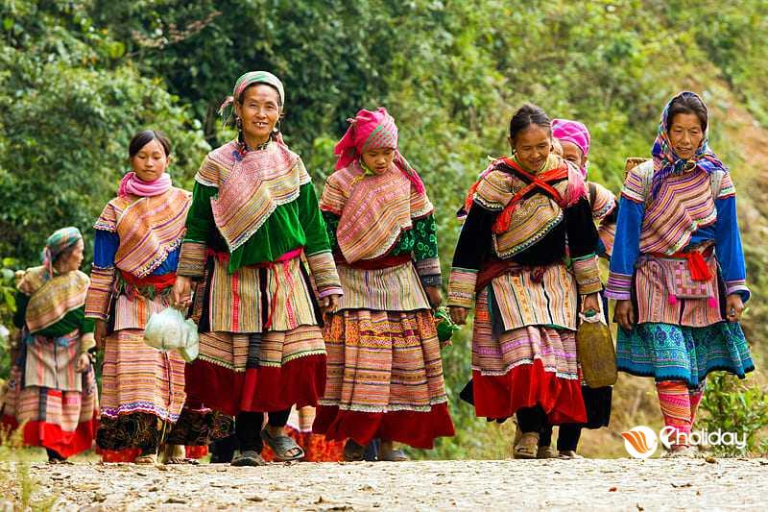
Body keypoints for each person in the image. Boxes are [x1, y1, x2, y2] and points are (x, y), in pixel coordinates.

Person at [171, 71, 342, 466]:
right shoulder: (216, 165)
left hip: (286, 278)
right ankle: (247, 446)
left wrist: (327, 282)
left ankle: (277, 430)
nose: (261, 113)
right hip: (234, 278)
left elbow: (313, 228)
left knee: (290, 359)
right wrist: (186, 276)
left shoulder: (291, 164)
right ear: (238, 110)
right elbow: (197, 223)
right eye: (253, 105)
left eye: (269, 106)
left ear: (279, 113)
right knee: (244, 363)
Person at [448, 104, 602, 459]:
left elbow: (582, 240)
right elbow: (471, 242)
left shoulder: (568, 180)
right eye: (526, 148)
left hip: (556, 282)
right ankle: (529, 430)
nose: (535, 155)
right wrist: (459, 297)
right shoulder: (497, 182)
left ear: (552, 142)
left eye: (542, 147)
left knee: (554, 363)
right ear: (512, 145)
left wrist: (591, 293)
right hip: (507, 280)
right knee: (526, 357)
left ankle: (541, 433)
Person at [606, 91, 754, 457]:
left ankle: (678, 437)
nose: (686, 140)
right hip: (653, 275)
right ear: (665, 131)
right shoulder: (644, 178)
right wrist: (621, 294)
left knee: (697, 363)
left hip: (702, 275)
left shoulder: (717, 178)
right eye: (678, 131)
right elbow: (625, 238)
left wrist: (734, 289)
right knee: (671, 358)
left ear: (704, 133)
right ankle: (681, 440)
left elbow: (728, 236)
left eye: (694, 132)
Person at [312, 108, 455, 461]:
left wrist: (432, 283)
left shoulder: (407, 180)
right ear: (359, 150)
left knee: (403, 364)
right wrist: (325, 284)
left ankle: (391, 443)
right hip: (354, 282)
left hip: (401, 282)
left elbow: (424, 231)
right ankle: (357, 441)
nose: (381, 160)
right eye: (373, 153)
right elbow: (325, 236)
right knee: (363, 363)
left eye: (388, 153)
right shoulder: (341, 183)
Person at [86, 130, 222, 464]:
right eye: (143, 156)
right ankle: (146, 447)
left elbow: (200, 253)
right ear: (131, 159)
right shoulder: (115, 210)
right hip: (133, 303)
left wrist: (198, 298)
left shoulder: (185, 203)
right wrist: (98, 319)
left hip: (179, 302)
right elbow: (103, 268)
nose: (150, 163)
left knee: (180, 374)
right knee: (142, 377)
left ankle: (175, 445)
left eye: (157, 156)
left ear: (168, 160)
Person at [535, 118, 616, 459]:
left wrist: (597, 244)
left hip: (586, 292)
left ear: (585, 162)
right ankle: (539, 440)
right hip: (545, 290)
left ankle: (568, 445)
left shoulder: (593, 193)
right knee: (548, 361)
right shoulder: (538, 191)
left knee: (586, 363)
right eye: (561, 155)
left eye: (574, 158)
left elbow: (618, 218)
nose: (568, 164)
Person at [1, 227, 98, 462]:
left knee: (68, 401)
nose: (82, 257)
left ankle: (61, 450)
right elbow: (19, 318)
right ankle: (53, 451)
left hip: (72, 350)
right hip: (38, 350)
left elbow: (88, 321)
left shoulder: (82, 282)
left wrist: (86, 350)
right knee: (43, 403)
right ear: (65, 253)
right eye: (80, 251)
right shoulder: (32, 279)